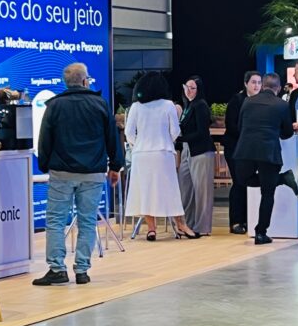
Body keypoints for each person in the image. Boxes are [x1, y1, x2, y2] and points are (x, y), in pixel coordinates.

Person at [33, 63, 124, 287]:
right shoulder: (100, 104)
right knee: (87, 221)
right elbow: (112, 137)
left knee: (56, 221)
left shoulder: (54, 105)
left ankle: (57, 269)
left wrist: (44, 165)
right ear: (85, 81)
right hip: (93, 172)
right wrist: (115, 166)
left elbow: (45, 139)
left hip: (62, 172)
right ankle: (82, 270)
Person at [124, 72, 199, 241]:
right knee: (170, 190)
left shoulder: (136, 106)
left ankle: (151, 229)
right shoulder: (168, 105)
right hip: (163, 153)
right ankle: (181, 225)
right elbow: (175, 131)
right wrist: (166, 140)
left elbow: (129, 133)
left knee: (145, 191)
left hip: (141, 155)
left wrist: (139, 144)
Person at [234, 72, 295, 245]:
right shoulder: (282, 105)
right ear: (278, 88)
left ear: (263, 86)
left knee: (243, 180)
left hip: (246, 150)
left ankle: (282, 179)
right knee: (267, 194)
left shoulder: (248, 101)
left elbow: (240, 125)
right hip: (269, 152)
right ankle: (261, 233)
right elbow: (287, 133)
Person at [224, 71, 263, 234]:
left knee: (248, 183)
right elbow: (231, 126)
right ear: (246, 83)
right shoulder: (237, 100)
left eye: (259, 82)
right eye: (253, 82)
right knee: (239, 182)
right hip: (235, 149)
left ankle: (248, 219)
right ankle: (236, 221)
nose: (256, 85)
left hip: (251, 150)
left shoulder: (261, 101)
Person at [177, 75, 215, 236]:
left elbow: (202, 132)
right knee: (186, 187)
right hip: (188, 150)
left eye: (193, 88)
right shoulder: (188, 106)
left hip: (201, 151)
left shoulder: (200, 105)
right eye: (187, 87)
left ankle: (202, 227)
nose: (189, 91)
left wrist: (180, 138)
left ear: (198, 90)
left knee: (202, 192)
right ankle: (187, 224)